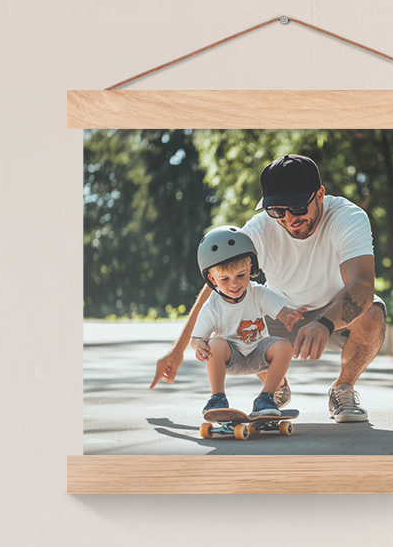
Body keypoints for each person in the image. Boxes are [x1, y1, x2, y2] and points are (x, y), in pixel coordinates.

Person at [150, 153, 381, 424]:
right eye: (277, 211)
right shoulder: (259, 229)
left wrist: (325, 322)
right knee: (235, 316)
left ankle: (343, 388)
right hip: (280, 314)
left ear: (319, 195)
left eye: (297, 208)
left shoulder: (347, 218)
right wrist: (179, 349)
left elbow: (362, 284)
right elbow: (218, 285)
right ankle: (275, 389)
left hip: (335, 314)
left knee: (372, 314)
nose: (288, 219)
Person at [184, 225, 297, 424]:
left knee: (284, 346)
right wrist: (198, 346)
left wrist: (289, 316)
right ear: (212, 279)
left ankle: (266, 398)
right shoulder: (212, 306)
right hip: (231, 357)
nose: (234, 284)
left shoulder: (258, 293)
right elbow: (196, 339)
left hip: (259, 353)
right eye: (225, 279)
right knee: (215, 343)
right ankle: (217, 398)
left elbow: (282, 310)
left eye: (240, 275)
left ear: (251, 269)